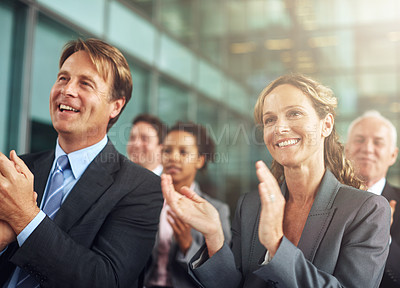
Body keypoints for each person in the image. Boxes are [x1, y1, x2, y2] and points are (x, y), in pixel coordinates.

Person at [161, 74, 391, 288]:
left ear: (326, 125)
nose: (279, 128)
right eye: (270, 119)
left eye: (294, 113)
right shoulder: (250, 206)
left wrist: (277, 247)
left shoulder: (367, 210)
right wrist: (214, 237)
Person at [0, 38, 163, 288]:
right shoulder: (19, 168)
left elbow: (104, 280)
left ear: (115, 106)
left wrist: (25, 219)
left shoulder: (141, 188)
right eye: (63, 78)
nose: (67, 90)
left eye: (85, 83)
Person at [144, 121, 231, 288]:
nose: (173, 157)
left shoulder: (217, 210)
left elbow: (223, 274)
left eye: (183, 152)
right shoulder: (145, 200)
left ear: (200, 160)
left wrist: (188, 245)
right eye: (167, 151)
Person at [346, 110, 400, 287]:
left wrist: (384, 238)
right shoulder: (325, 200)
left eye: (378, 142)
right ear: (347, 150)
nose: (368, 148)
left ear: (393, 155)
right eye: (360, 140)